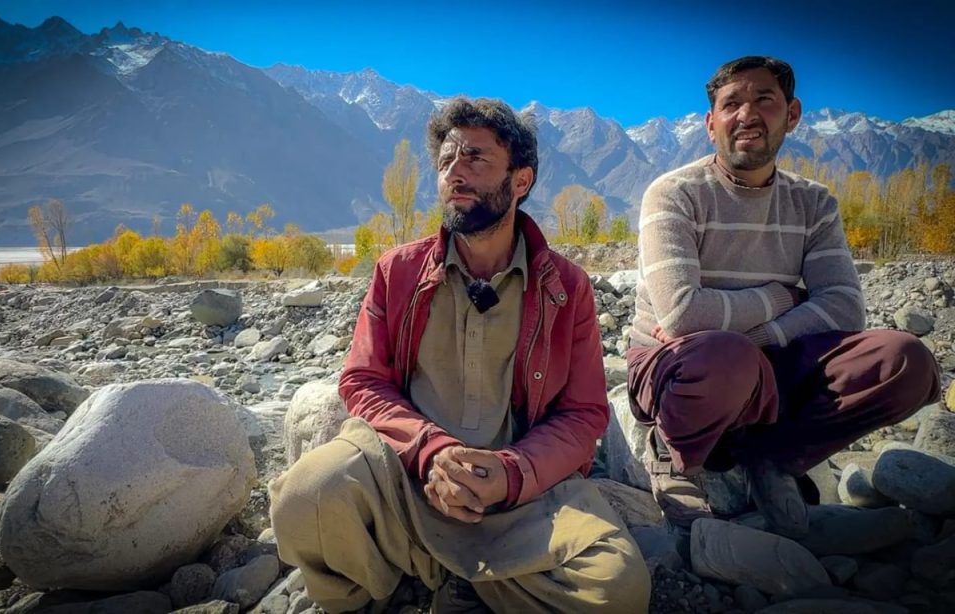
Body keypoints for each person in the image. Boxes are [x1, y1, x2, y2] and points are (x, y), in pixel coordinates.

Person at [271, 97, 651, 613]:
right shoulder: (397, 272)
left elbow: (584, 414)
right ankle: (431, 580)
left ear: (521, 180)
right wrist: (431, 452)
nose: (455, 172)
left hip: (522, 495)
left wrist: (511, 472)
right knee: (304, 495)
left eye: (475, 157)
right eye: (447, 160)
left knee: (618, 588)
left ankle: (434, 573)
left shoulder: (567, 287)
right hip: (406, 476)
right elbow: (362, 381)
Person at [627, 55, 941, 536]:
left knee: (905, 359)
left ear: (791, 114)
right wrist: (781, 296)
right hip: (681, 366)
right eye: (731, 104)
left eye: (764, 100)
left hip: (767, 360)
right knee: (724, 356)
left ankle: (774, 458)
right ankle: (674, 455)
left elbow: (844, 308)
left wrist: (759, 337)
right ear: (711, 124)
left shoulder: (813, 202)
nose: (747, 115)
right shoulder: (674, 194)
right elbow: (684, 315)